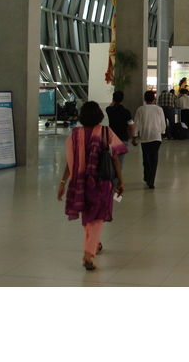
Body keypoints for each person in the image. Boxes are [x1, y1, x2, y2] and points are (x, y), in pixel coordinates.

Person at [57, 101, 125, 271]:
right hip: (101, 183)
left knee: (88, 216)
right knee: (98, 217)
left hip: (80, 183)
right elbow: (115, 156)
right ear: (99, 115)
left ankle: (96, 244)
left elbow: (70, 161)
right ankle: (88, 253)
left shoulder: (74, 135)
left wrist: (63, 182)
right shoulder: (105, 132)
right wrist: (121, 180)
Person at [132, 90, 166, 189]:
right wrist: (162, 132)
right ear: (154, 99)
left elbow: (137, 123)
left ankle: (148, 177)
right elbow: (162, 122)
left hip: (145, 137)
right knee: (153, 158)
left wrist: (135, 136)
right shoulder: (159, 109)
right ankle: (150, 179)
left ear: (144, 99)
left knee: (146, 158)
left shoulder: (141, 109)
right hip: (156, 136)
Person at [105, 90, 135, 171]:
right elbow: (131, 126)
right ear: (122, 99)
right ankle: (118, 180)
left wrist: (113, 102)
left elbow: (110, 106)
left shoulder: (109, 110)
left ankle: (112, 179)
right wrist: (131, 134)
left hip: (111, 137)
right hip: (123, 137)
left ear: (113, 99)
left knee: (112, 160)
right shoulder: (126, 112)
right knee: (120, 161)